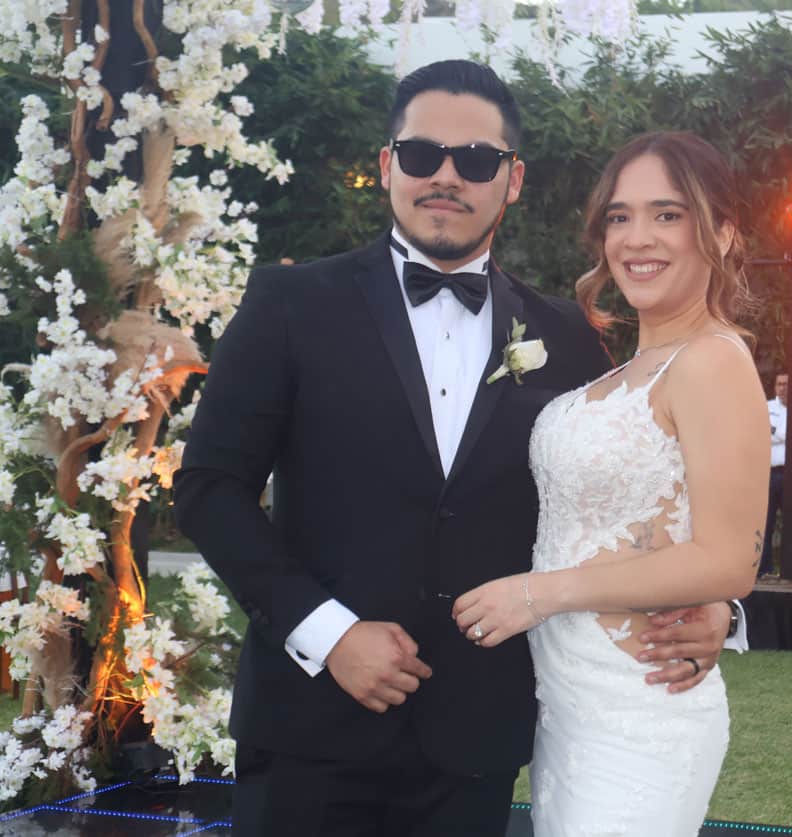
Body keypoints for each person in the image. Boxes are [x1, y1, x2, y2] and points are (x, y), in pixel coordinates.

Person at [173, 61, 736, 837]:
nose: (445, 175)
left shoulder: (568, 336)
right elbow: (209, 488)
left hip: (476, 741)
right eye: (421, 154)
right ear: (386, 165)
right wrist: (329, 633)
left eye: (475, 159)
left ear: (512, 179)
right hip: (309, 732)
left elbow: (630, 489)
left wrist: (716, 604)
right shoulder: (289, 303)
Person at [452, 131, 768, 835]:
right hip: (567, 707)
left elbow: (729, 561)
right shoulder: (618, 368)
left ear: (721, 232)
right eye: (620, 216)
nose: (636, 237)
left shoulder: (714, 361)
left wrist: (537, 594)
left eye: (667, 214)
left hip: (641, 707)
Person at [761, 371, 788, 575]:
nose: (783, 388)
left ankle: (789, 570)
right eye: (779, 384)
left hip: (791, 475)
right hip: (768, 474)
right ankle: (764, 569)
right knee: (766, 523)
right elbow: (761, 433)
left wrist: (773, 431)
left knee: (791, 524)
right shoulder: (767, 407)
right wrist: (781, 435)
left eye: (786, 384)